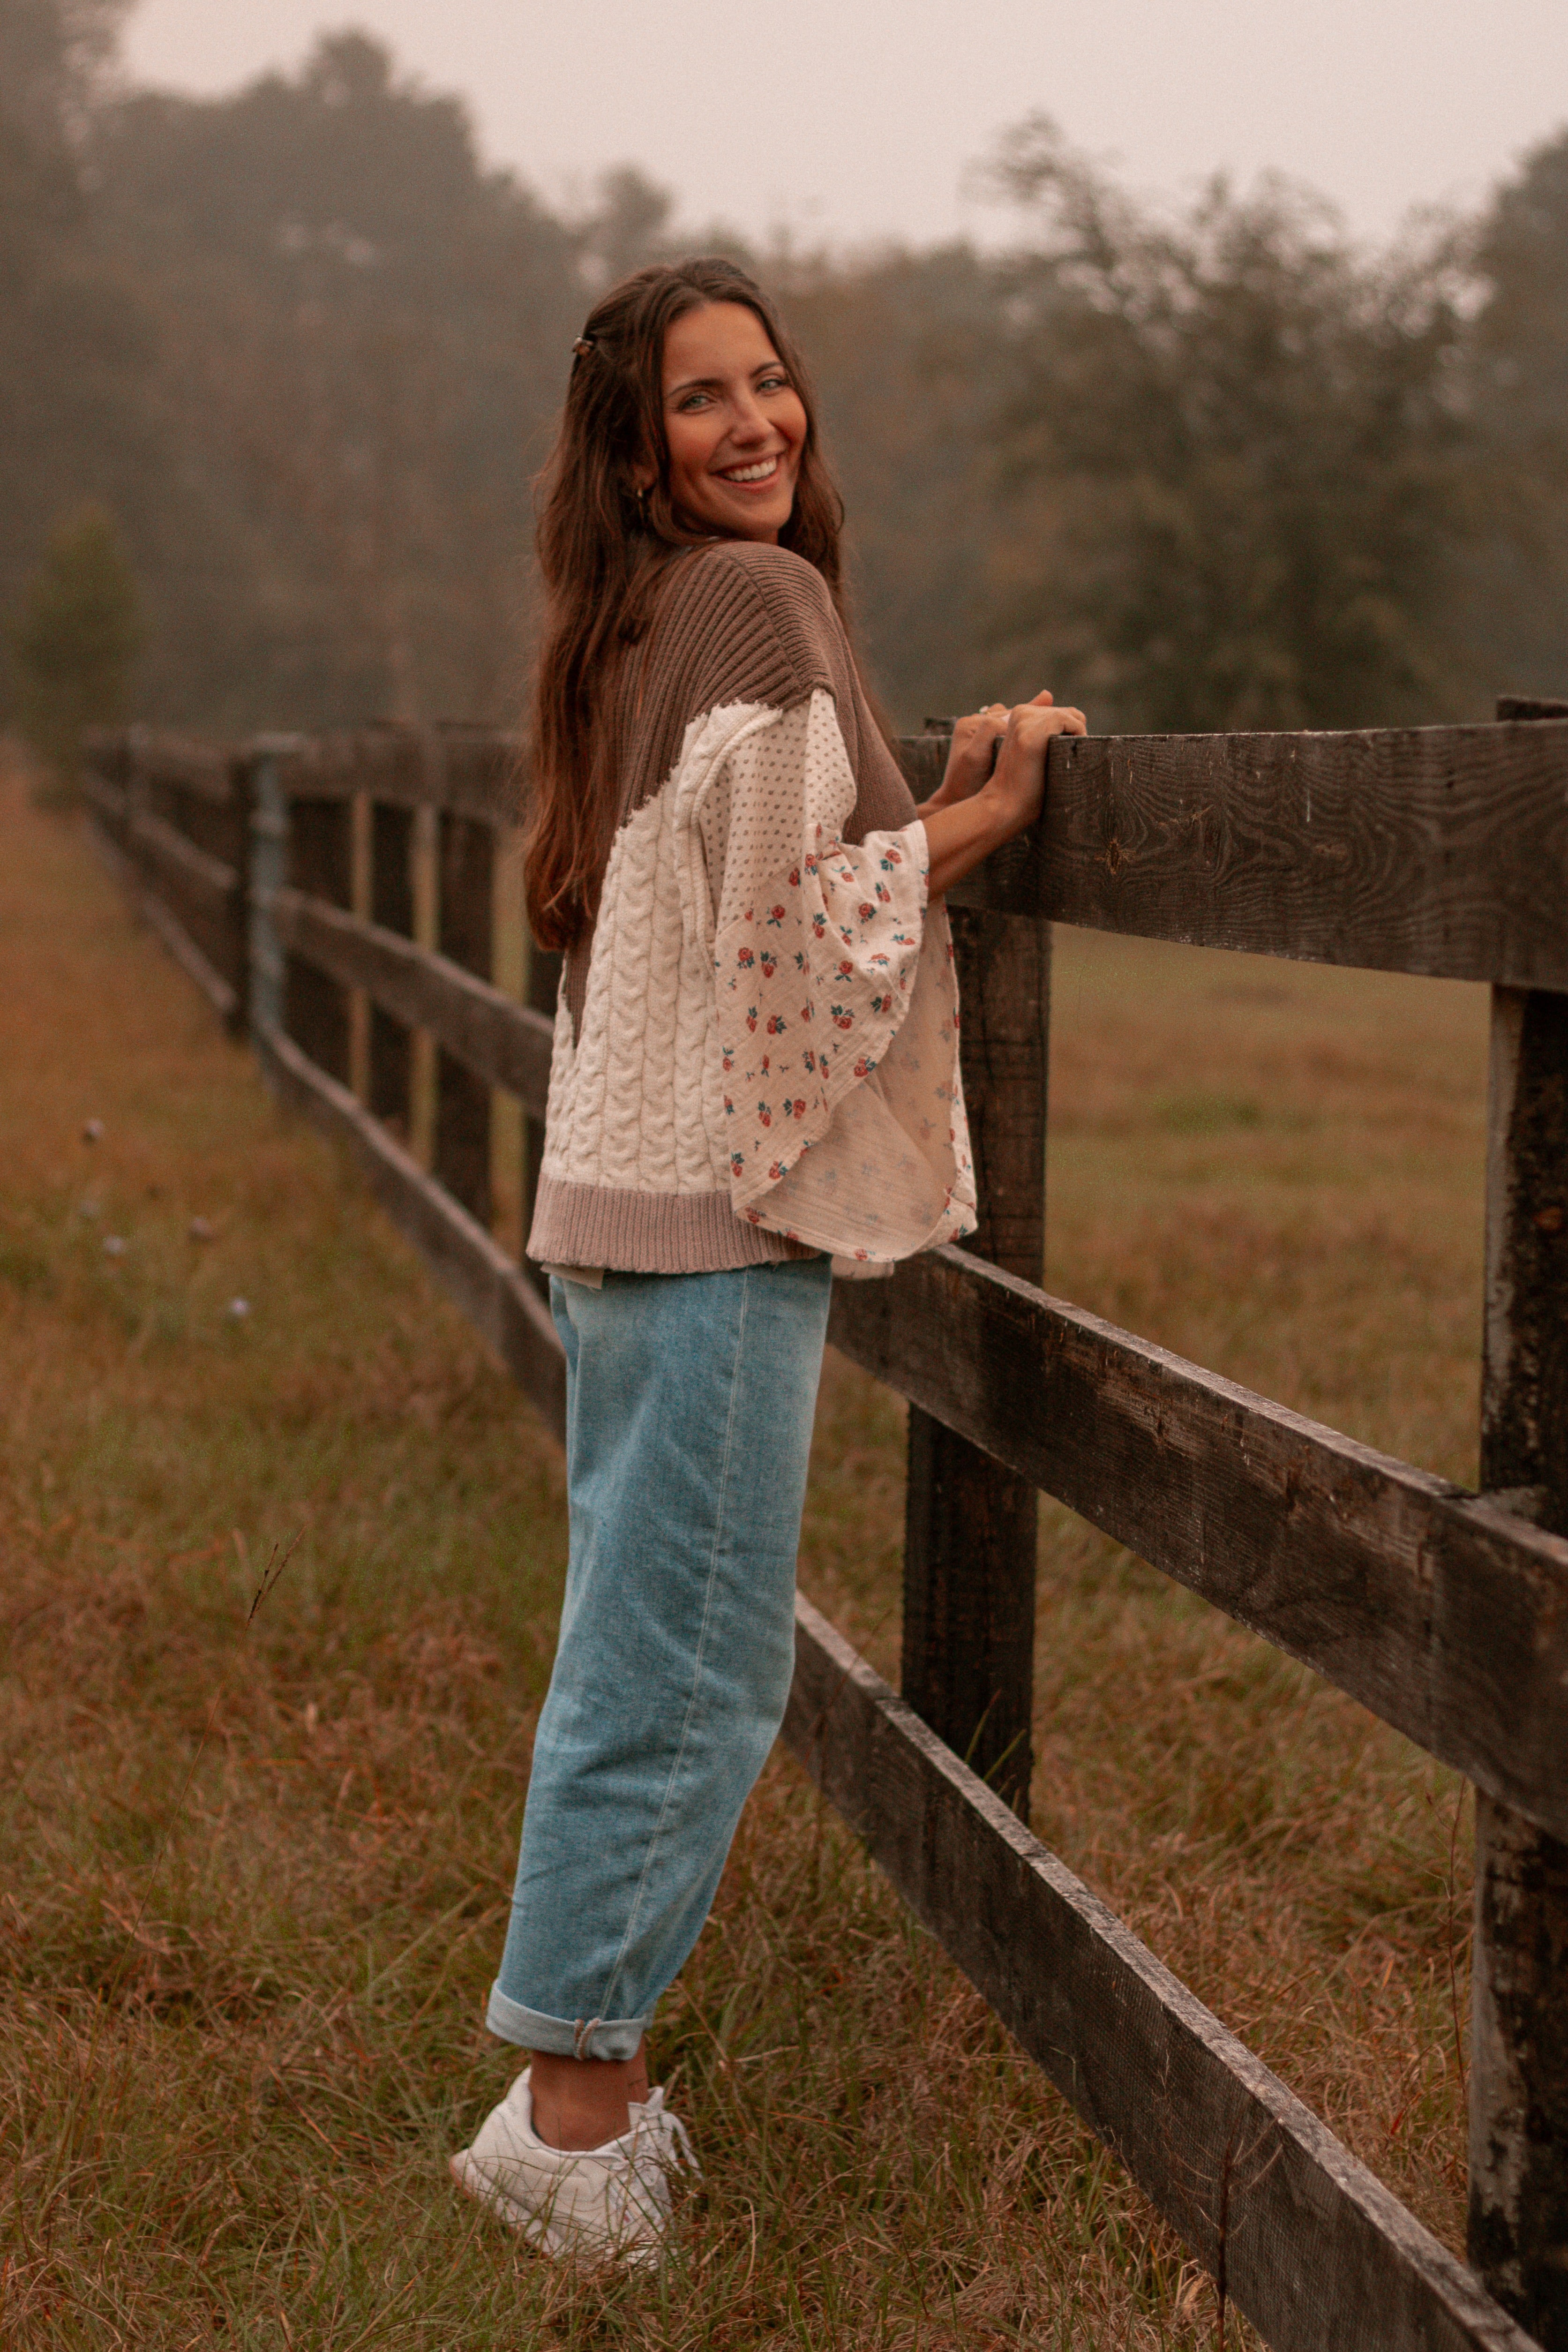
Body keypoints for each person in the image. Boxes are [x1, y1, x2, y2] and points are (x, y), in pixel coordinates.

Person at [449, 255, 1086, 2263]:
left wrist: (933, 792)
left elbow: (719, 894)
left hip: (615, 1216)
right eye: (701, 400)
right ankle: (572, 2118)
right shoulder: (761, 603)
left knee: (630, 1643)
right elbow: (805, 931)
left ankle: (568, 2095)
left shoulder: (631, 623)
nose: (756, 424)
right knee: (693, 1668)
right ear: (638, 451)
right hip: (709, 1225)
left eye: (770, 383)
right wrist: (993, 807)